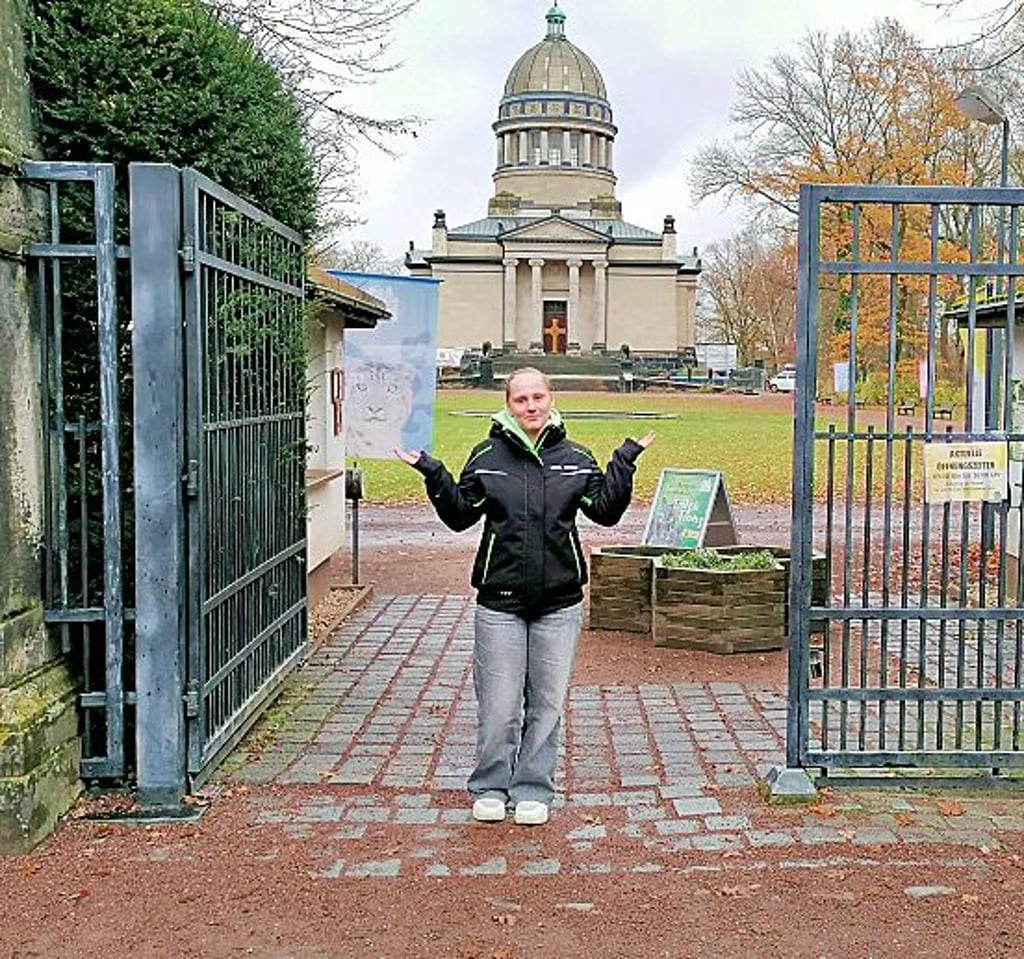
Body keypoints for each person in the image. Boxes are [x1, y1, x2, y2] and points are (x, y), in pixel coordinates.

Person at [395, 367, 653, 826]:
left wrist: (624, 461)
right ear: (508, 405)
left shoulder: (576, 457)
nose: (531, 406)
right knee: (498, 703)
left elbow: (605, 512)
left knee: (547, 703)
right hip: (500, 601)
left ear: (550, 399)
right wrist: (433, 473)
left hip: (559, 602)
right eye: (521, 399)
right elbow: (460, 515)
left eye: (538, 397)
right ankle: (491, 786)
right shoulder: (487, 456)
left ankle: (534, 788)